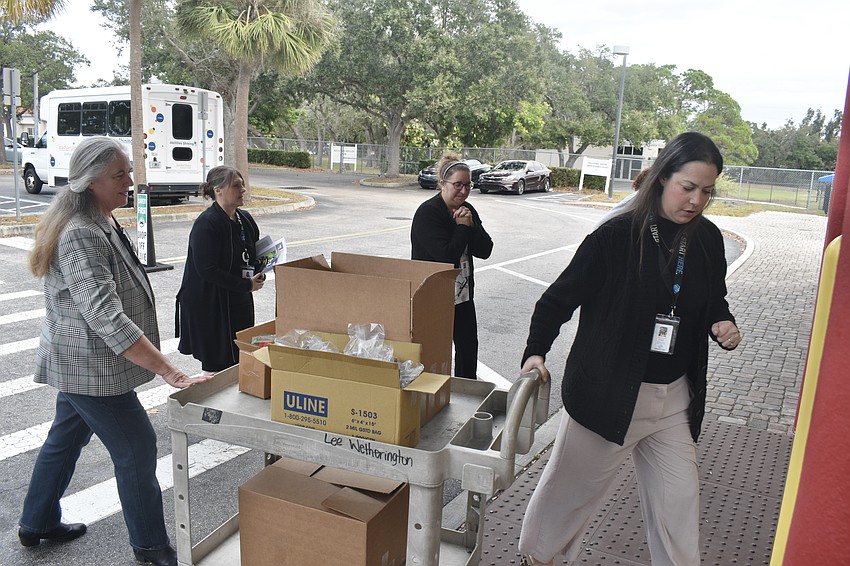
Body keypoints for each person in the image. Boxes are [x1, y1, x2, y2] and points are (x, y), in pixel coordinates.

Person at [518, 132, 742, 566]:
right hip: (607, 395)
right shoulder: (615, 237)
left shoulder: (708, 240)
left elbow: (715, 297)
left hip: (673, 399)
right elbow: (556, 301)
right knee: (567, 499)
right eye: (688, 187)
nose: (697, 200)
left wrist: (723, 321)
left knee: (680, 505)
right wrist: (535, 351)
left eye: (708, 192)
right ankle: (536, 557)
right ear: (662, 178)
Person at [19, 137, 210, 566]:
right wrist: (172, 373)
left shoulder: (99, 217)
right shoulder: (81, 233)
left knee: (65, 438)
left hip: (82, 363)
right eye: (119, 174)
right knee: (138, 447)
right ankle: (150, 547)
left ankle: (37, 523)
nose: (129, 181)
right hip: (90, 367)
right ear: (90, 182)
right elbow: (105, 316)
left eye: (128, 171)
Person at [176, 166, 266, 375]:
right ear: (218, 190)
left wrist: (266, 264)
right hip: (211, 304)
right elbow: (207, 270)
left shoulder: (245, 219)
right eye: (236, 185)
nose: (243, 189)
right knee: (216, 363)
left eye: (242, 184)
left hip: (239, 299)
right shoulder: (207, 223)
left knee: (239, 355)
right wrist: (246, 284)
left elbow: (253, 253)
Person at [411, 154, 493, 378]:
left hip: (463, 295)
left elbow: (485, 250)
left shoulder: (468, 210)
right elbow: (446, 257)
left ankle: (468, 393)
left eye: (468, 185)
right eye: (457, 185)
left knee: (468, 350)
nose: (463, 191)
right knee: (434, 353)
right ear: (443, 184)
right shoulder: (429, 213)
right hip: (434, 296)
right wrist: (462, 227)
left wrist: (471, 225)